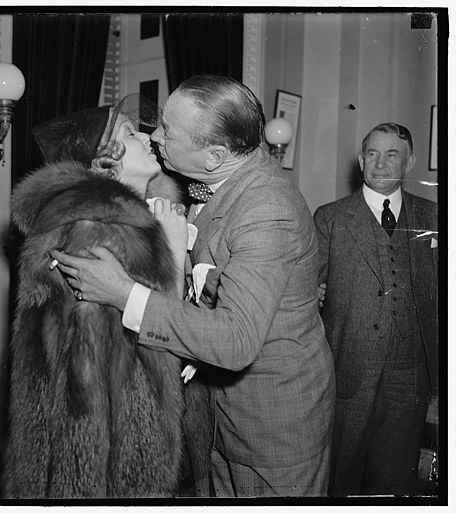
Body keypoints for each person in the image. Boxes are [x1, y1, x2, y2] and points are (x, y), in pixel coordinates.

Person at [52, 75, 335, 497]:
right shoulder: (216, 182)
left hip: (274, 430)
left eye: (168, 130)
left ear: (214, 156)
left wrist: (124, 292)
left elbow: (236, 340)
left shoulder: (266, 207)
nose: (155, 135)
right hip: (223, 420)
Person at [0, 94, 210, 498]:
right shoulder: (102, 232)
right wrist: (173, 252)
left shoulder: (119, 223)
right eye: (130, 134)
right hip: (118, 443)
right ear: (105, 160)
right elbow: (109, 364)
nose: (147, 138)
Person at [313, 123, 438, 496]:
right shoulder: (331, 218)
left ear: (409, 163)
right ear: (360, 159)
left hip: (410, 374)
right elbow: (305, 290)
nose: (380, 164)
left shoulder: (434, 217)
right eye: (372, 154)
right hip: (348, 371)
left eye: (391, 155)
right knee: (342, 475)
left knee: (394, 481)